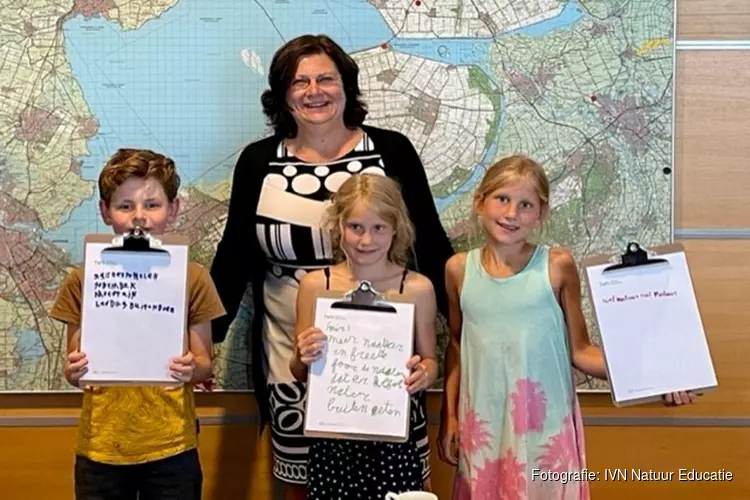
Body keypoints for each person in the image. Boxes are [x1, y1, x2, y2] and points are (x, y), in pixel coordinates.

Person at [209, 34, 454, 497]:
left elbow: (432, 247)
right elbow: (233, 259)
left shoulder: (392, 151)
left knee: (396, 486)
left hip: (384, 370)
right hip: (295, 359)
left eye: (326, 79)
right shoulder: (258, 162)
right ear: (283, 94)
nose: (314, 91)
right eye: (299, 82)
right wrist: (197, 341)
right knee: (307, 488)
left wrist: (468, 331)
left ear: (346, 86)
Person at [437, 155, 698, 499]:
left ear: (542, 213)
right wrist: (449, 415)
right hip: (483, 429)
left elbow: (581, 350)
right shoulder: (458, 270)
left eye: (526, 205)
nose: (512, 213)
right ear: (479, 202)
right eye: (502, 199)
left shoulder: (557, 266)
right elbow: (457, 345)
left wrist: (660, 376)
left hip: (545, 430)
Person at [49, 148, 226, 500]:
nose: (139, 217)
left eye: (152, 205)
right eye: (125, 206)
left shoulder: (192, 277)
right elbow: (74, 367)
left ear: (173, 209)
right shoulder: (84, 279)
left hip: (172, 446)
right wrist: (76, 370)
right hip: (101, 448)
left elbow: (205, 364)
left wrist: (191, 369)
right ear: (105, 211)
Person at [291, 173, 438, 499]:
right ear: (339, 226)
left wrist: (423, 374)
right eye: (356, 227)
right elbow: (299, 370)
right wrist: (303, 355)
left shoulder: (416, 288)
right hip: (332, 445)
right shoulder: (315, 285)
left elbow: (431, 361)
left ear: (396, 228)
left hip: (394, 445)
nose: (366, 240)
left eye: (378, 228)